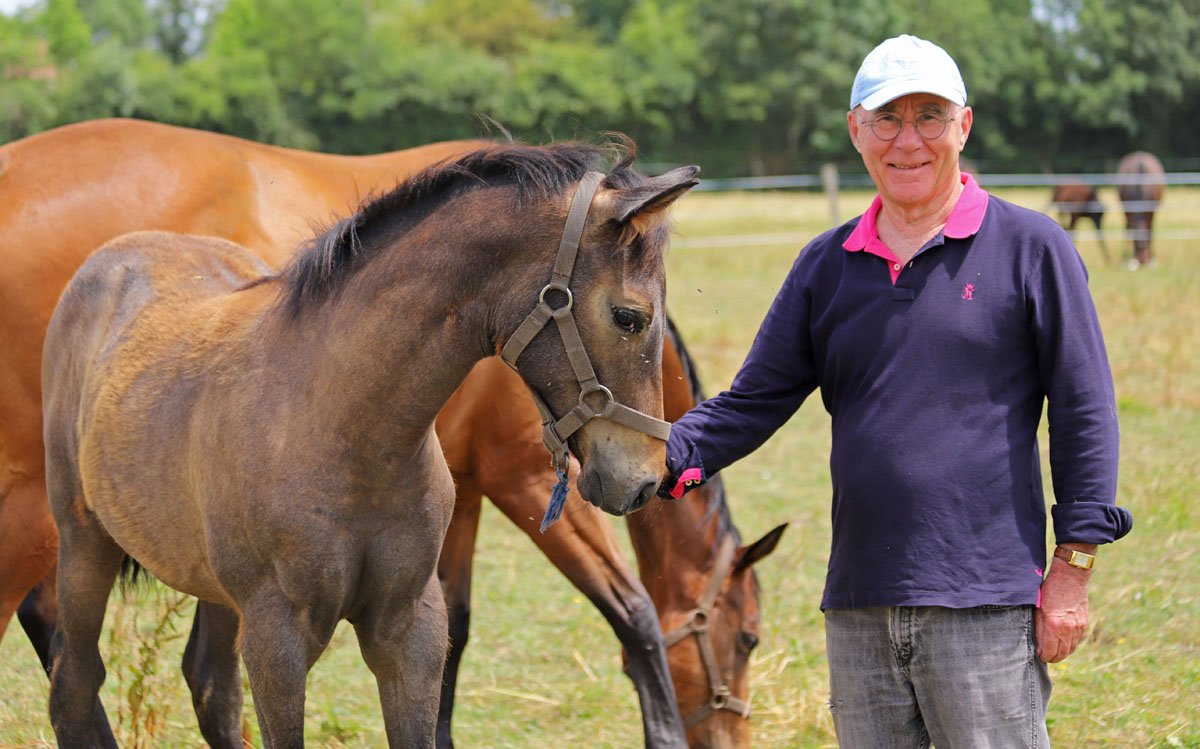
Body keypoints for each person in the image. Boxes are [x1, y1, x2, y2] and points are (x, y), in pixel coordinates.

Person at [659, 34, 1132, 747]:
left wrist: (1073, 568)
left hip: (984, 601)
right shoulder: (825, 265)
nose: (908, 141)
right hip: (860, 602)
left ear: (963, 126)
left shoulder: (1032, 248)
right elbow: (753, 402)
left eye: (929, 117)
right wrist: (657, 453)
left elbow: (1084, 410)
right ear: (856, 131)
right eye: (887, 119)